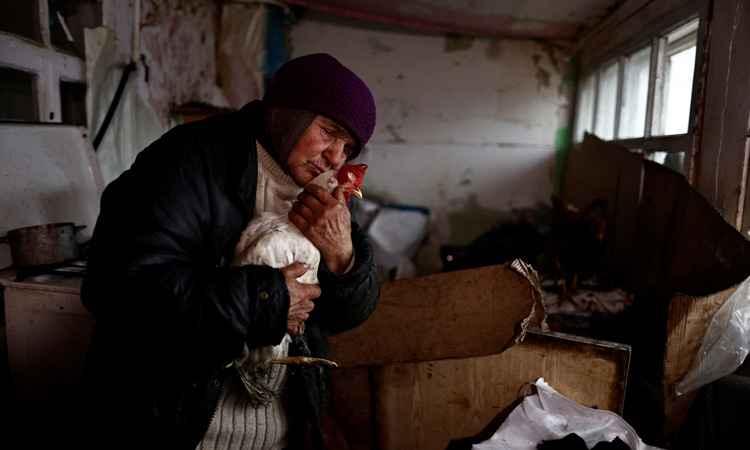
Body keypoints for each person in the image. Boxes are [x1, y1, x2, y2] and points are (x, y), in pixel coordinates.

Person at [76, 53, 380, 450]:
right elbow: (119, 287)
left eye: (348, 147)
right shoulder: (187, 160)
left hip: (282, 435)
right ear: (289, 112)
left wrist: (344, 258)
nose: (336, 157)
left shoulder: (323, 190)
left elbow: (347, 315)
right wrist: (265, 303)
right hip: (181, 432)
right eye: (329, 132)